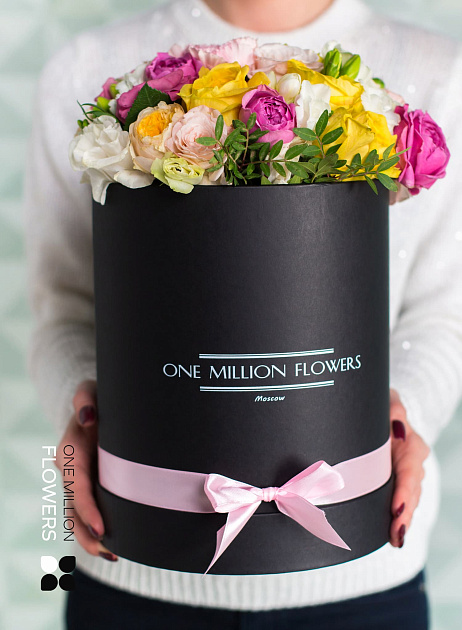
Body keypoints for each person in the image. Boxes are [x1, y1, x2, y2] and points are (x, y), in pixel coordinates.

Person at [24, 0, 462, 628]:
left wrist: (402, 415)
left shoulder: (441, 74)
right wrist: (81, 415)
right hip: (135, 564)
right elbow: (61, 308)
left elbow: (444, 314)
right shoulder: (86, 72)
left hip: (361, 572)